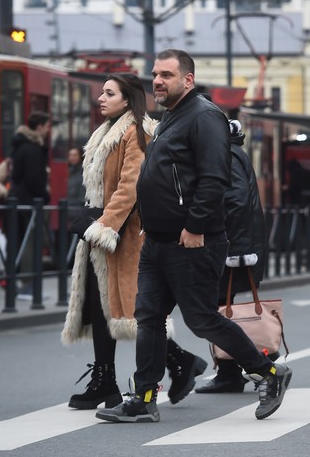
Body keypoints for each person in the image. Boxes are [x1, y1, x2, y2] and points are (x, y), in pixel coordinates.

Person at [96, 49, 291, 424]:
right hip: (158, 240)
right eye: (155, 74)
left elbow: (215, 179)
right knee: (148, 317)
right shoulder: (172, 117)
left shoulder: (203, 116)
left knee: (201, 318)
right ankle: (144, 397)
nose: (157, 81)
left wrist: (196, 226)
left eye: (167, 75)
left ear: (188, 79)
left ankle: (269, 372)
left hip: (192, 240)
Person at [61, 73, 207, 410]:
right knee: (101, 307)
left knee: (137, 312)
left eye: (109, 93)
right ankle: (105, 380)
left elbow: (130, 189)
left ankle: (180, 360)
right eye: (101, 92)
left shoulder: (136, 132)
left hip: (125, 235)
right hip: (105, 233)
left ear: (127, 100)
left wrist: (103, 225)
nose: (101, 97)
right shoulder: (106, 133)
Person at [195, 119, 270, 394]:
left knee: (215, 309)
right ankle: (230, 371)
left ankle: (244, 368)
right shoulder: (229, 149)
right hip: (233, 243)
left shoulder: (225, 153)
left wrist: (232, 250)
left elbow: (236, 200)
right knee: (217, 307)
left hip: (230, 246)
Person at [8, 111, 52, 300]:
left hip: (21, 200)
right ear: (40, 127)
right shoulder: (33, 149)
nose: (49, 131)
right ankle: (28, 286)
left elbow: (16, 175)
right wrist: (45, 195)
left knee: (26, 241)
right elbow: (34, 178)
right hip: (30, 202)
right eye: (48, 126)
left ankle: (23, 284)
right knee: (31, 243)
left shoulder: (21, 146)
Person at [65, 146, 85, 213]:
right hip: (69, 208)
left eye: (75, 155)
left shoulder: (84, 172)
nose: (72, 158)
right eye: (70, 155)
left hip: (78, 209)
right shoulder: (69, 171)